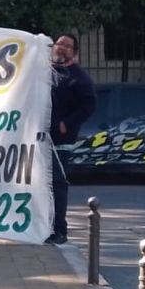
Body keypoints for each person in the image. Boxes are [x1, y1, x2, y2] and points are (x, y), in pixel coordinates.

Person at [47, 33, 96, 245]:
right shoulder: (46, 71)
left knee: (57, 183)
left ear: (74, 52)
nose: (61, 47)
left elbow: (89, 105)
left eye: (67, 46)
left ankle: (60, 230)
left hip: (61, 141)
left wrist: (67, 124)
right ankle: (43, 226)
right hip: (39, 138)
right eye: (59, 43)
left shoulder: (79, 77)